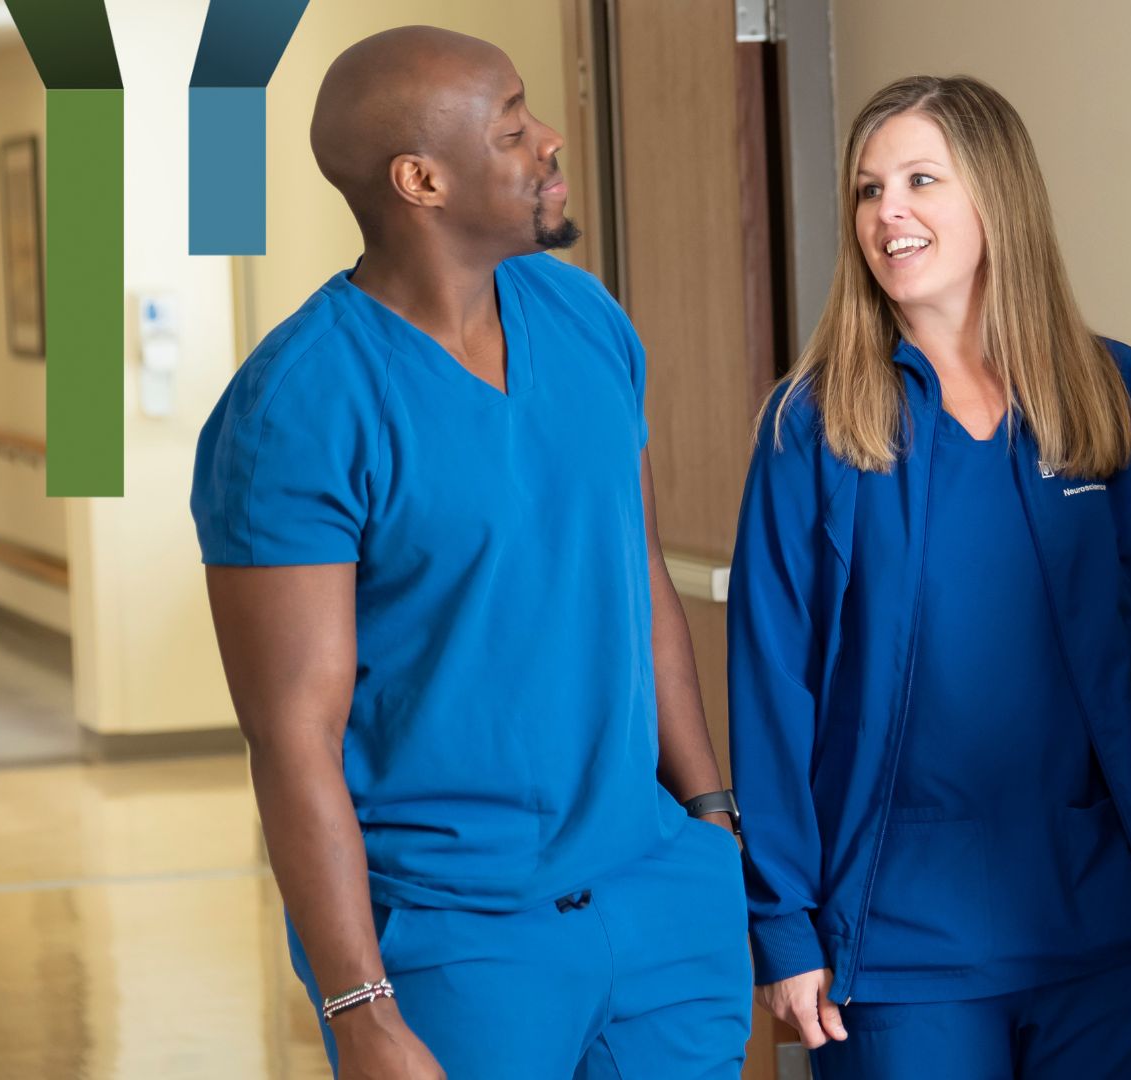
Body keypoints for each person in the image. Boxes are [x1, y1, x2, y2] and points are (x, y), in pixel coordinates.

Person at [189, 26, 749, 1080]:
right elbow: (291, 736)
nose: (548, 141)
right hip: (458, 940)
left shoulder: (585, 318)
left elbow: (637, 585)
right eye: (513, 125)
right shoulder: (299, 408)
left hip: (658, 902)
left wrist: (711, 820)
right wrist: (360, 1010)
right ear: (422, 179)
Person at [729, 74, 1131, 1079]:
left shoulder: (1113, 394)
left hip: (1113, 924)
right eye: (867, 190)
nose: (886, 211)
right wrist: (783, 922)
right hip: (900, 940)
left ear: (998, 198)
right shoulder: (811, 426)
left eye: (917, 180)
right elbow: (773, 689)